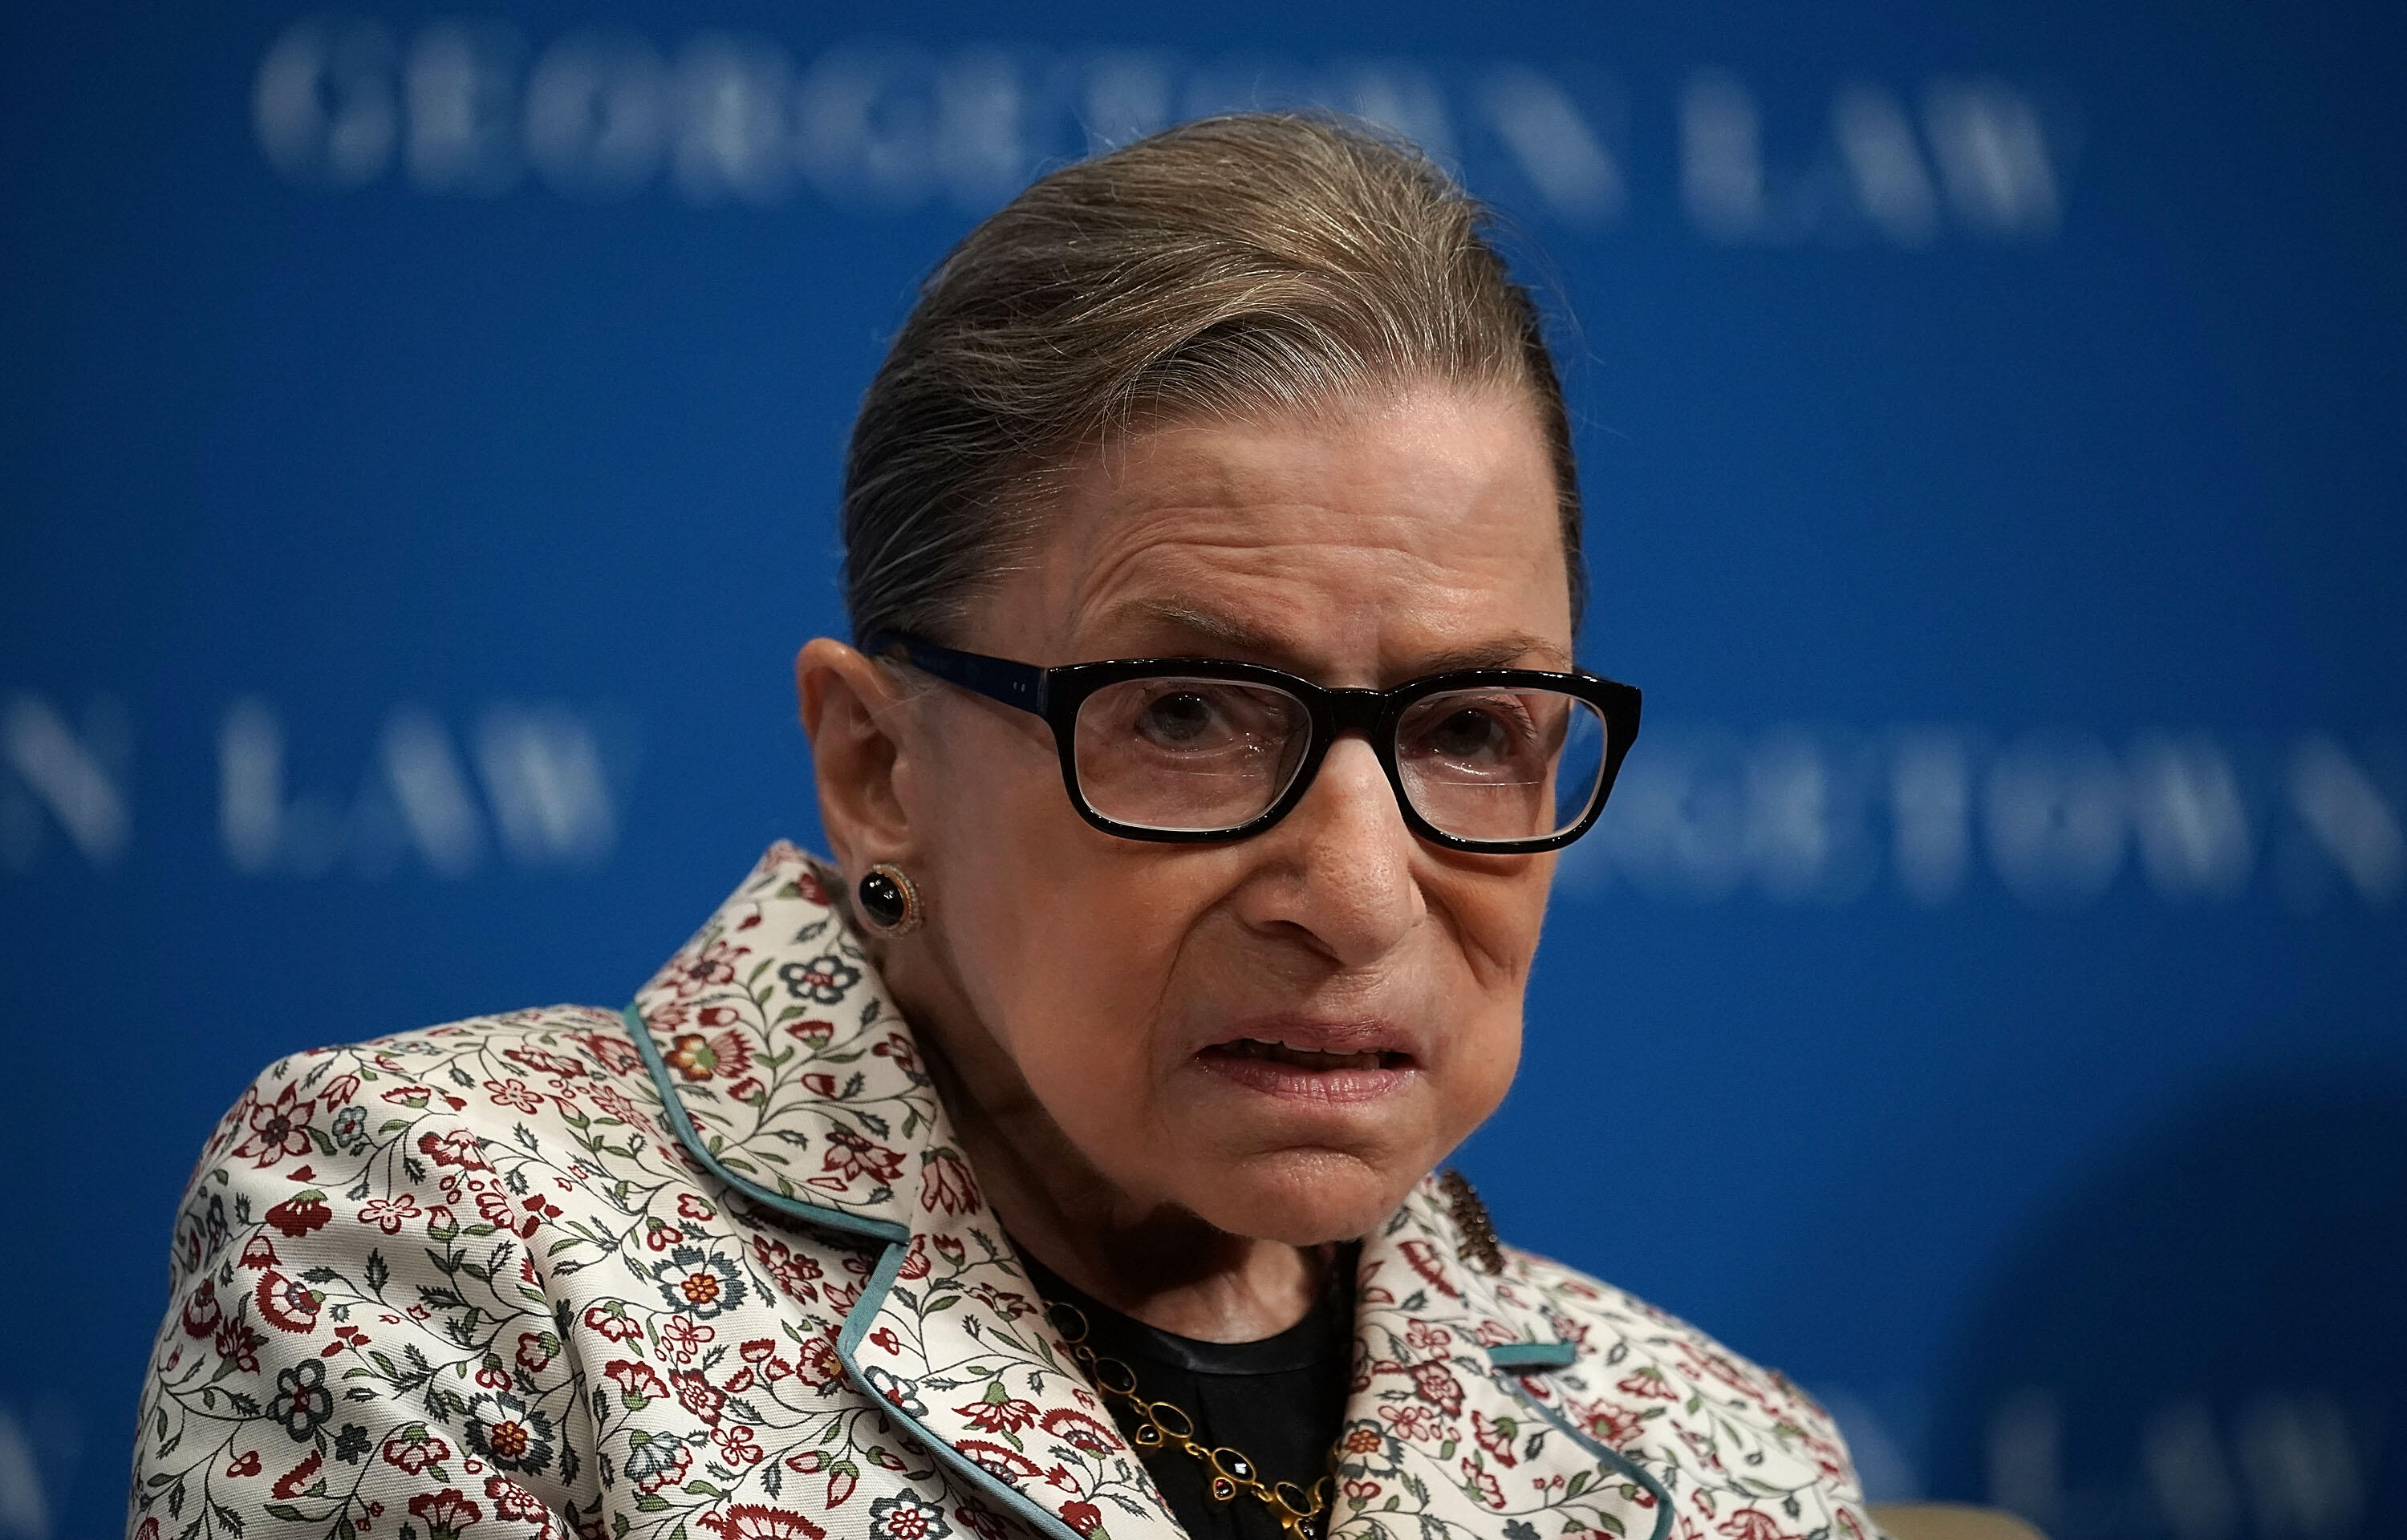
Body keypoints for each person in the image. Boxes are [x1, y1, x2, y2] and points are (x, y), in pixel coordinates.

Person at [129, 113, 1876, 1540]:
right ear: (880, 767)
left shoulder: (1720, 1460)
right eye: (1186, 713)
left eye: (1473, 729)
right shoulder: (445, 1246)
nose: (1357, 895)